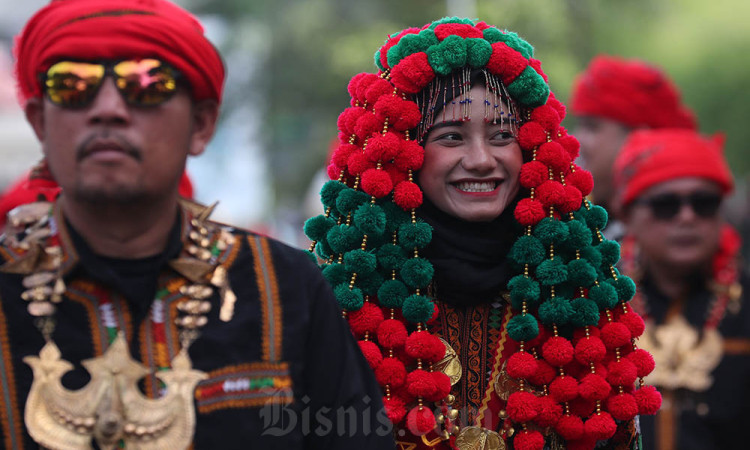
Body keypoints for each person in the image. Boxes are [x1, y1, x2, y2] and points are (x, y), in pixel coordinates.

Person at [0, 1, 394, 449]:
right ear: (39, 123)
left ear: (201, 125)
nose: (107, 109)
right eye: (72, 85)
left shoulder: (286, 288)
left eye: (146, 84)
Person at [304, 17, 660, 450]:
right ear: (402, 152)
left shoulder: (575, 295)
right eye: (451, 136)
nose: (480, 160)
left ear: (531, 148)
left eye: (501, 136)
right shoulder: (340, 300)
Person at [613, 129, 750, 450]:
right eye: (666, 205)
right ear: (628, 215)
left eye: (703, 203)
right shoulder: (598, 303)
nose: (687, 217)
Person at [570, 55, 696, 240]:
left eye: (592, 127)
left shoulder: (674, 231)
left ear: (638, 139)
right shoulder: (578, 216)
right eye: (579, 126)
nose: (576, 139)